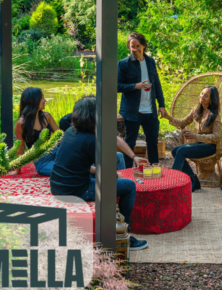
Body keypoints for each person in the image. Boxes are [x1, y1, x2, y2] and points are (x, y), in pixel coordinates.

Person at [50, 96, 148, 250]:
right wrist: (116, 176)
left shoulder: (70, 131)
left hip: (57, 186)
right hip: (75, 191)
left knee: (117, 164)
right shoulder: (91, 140)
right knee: (129, 186)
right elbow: (108, 174)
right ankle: (122, 234)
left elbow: (77, 164)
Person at [118, 32, 167, 168]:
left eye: (137, 46)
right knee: (130, 143)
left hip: (150, 111)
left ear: (144, 46)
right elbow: (116, 86)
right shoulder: (123, 64)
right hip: (132, 112)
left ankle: (154, 169)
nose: (135, 49)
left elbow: (156, 84)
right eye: (132, 47)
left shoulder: (150, 62)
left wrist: (161, 105)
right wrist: (136, 86)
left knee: (152, 142)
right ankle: (127, 173)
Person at [162, 86, 222, 192]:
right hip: (199, 144)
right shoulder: (196, 110)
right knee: (175, 150)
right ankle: (194, 181)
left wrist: (196, 136)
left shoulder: (215, 115)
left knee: (181, 151)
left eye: (206, 95)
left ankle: (170, 183)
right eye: (202, 93)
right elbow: (182, 123)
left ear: (211, 99)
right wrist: (168, 117)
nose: (202, 96)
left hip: (210, 147)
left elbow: (216, 137)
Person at [12, 87, 59, 176]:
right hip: (42, 161)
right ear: (33, 100)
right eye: (42, 97)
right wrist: (17, 170)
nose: (45, 100)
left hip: (57, 152)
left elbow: (61, 135)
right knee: (67, 170)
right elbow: (20, 148)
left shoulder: (47, 116)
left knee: (80, 164)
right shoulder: (21, 123)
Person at [60, 111, 126, 171]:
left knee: (119, 156)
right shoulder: (83, 137)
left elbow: (115, 139)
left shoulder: (93, 123)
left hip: (92, 158)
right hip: (84, 175)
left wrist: (133, 156)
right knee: (129, 184)